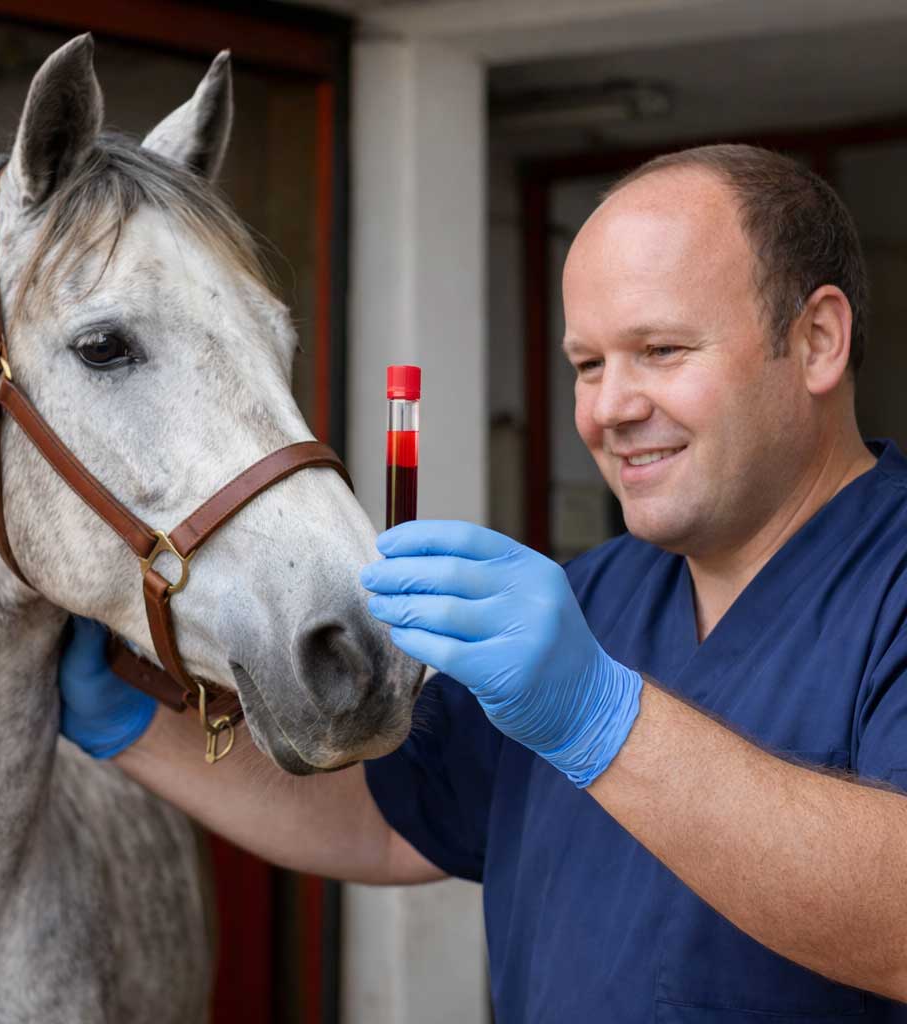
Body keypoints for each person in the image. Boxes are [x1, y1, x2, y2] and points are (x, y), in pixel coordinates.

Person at [59, 143, 907, 1020]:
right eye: (588, 364)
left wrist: (599, 719)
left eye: (660, 349)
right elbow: (391, 823)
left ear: (816, 342)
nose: (611, 408)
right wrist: (130, 725)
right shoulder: (595, 597)